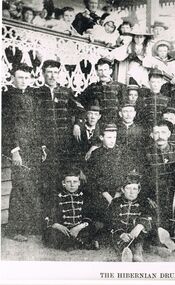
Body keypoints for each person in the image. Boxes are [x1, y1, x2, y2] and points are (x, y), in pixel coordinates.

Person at [2, 63, 42, 241]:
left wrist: (41, 146)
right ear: (13, 78)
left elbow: (36, 123)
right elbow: (7, 126)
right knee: (19, 187)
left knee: (31, 186)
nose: (24, 80)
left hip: (33, 148)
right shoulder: (7, 97)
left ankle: (27, 226)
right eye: (20, 77)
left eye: (26, 77)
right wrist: (14, 150)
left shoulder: (32, 97)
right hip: (18, 149)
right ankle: (14, 230)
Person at [36, 60, 78, 193]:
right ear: (43, 74)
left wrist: (77, 123)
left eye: (55, 72)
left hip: (64, 143)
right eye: (49, 72)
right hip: (45, 144)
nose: (52, 76)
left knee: (63, 177)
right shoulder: (36, 93)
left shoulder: (66, 92)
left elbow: (80, 110)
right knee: (46, 180)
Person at [87, 123, 138, 226]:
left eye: (114, 137)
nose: (112, 140)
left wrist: (119, 194)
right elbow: (93, 178)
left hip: (120, 194)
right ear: (101, 137)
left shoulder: (123, 153)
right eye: (109, 137)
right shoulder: (96, 154)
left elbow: (128, 175)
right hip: (102, 195)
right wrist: (106, 195)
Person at [43, 166, 100, 250]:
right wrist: (57, 225)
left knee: (92, 229)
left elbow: (89, 216)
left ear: (79, 183)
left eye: (75, 181)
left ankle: (70, 243)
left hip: (79, 228)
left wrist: (79, 227)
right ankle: (81, 244)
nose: (72, 185)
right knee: (50, 233)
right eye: (69, 182)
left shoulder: (84, 196)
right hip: (63, 229)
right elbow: (49, 214)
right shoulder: (56, 197)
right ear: (63, 183)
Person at [107, 170, 154, 262]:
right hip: (120, 233)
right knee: (120, 242)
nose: (131, 192)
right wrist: (121, 233)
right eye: (128, 188)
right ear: (122, 189)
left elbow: (149, 216)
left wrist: (140, 226)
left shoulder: (144, 202)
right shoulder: (115, 202)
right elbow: (111, 220)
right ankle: (125, 253)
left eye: (135, 189)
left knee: (140, 240)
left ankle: (138, 252)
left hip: (137, 233)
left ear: (139, 190)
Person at [76, 57, 123, 127]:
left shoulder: (120, 87)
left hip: (115, 126)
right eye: (100, 70)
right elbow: (79, 103)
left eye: (105, 70)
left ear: (110, 71)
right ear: (97, 72)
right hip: (97, 127)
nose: (103, 73)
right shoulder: (92, 88)